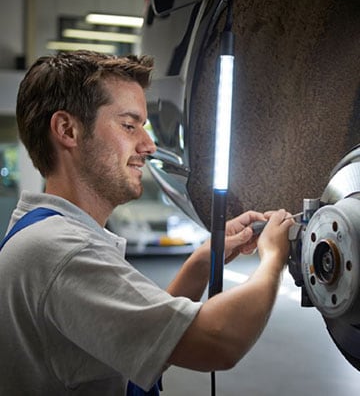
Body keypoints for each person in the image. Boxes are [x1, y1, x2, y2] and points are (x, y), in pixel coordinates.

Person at [0, 50, 294, 395]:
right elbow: (219, 341)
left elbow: (146, 341)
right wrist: (274, 257)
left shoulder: (44, 234)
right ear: (68, 130)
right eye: (129, 125)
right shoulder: (61, 252)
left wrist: (202, 261)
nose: (149, 145)